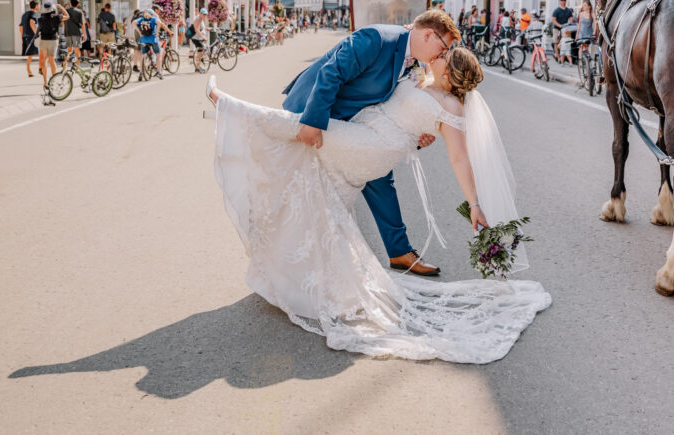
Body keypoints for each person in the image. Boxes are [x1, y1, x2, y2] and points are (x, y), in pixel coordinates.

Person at [203, 43, 550, 363]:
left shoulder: (452, 107)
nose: (439, 53)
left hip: (372, 146)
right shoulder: (422, 78)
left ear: (450, 69)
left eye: (445, 54)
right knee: (323, 200)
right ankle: (310, 279)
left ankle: (227, 106)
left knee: (307, 130)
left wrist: (474, 204)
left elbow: (460, 159)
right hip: (370, 135)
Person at [279, 9, 459, 276]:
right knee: (297, 183)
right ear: (429, 34)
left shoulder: (415, 63)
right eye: (444, 47)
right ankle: (289, 255)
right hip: (312, 111)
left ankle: (399, 252)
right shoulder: (377, 38)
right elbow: (332, 72)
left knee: (380, 175)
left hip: (353, 124)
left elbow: (395, 105)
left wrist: (416, 136)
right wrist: (313, 122)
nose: (442, 55)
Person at [36, 2, 68, 89]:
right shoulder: (57, 17)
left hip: (43, 40)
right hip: (53, 40)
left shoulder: (41, 19)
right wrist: (61, 7)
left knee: (45, 59)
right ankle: (52, 81)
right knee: (51, 60)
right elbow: (68, 16)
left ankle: (45, 83)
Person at [136, 9, 172, 80]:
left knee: (143, 56)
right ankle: (159, 72)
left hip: (143, 40)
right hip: (153, 40)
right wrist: (158, 32)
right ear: (152, 14)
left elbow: (133, 23)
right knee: (158, 55)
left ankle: (141, 73)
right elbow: (160, 24)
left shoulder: (141, 19)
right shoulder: (153, 19)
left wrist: (139, 32)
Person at [19, 0, 40, 77]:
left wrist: (23, 37)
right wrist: (37, 34)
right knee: (40, 53)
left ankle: (29, 71)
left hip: (26, 36)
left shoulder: (24, 14)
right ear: (36, 6)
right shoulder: (35, 14)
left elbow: (20, 27)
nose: (39, 7)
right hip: (32, 37)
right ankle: (40, 68)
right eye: (39, 5)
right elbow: (32, 22)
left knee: (30, 55)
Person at [189, 8, 210, 73]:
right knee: (200, 53)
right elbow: (196, 30)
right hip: (196, 38)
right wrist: (203, 37)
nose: (205, 15)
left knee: (202, 52)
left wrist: (206, 29)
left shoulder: (200, 19)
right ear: (200, 13)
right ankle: (197, 67)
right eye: (204, 14)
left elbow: (201, 28)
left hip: (198, 38)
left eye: (206, 14)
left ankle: (198, 66)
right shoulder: (198, 19)